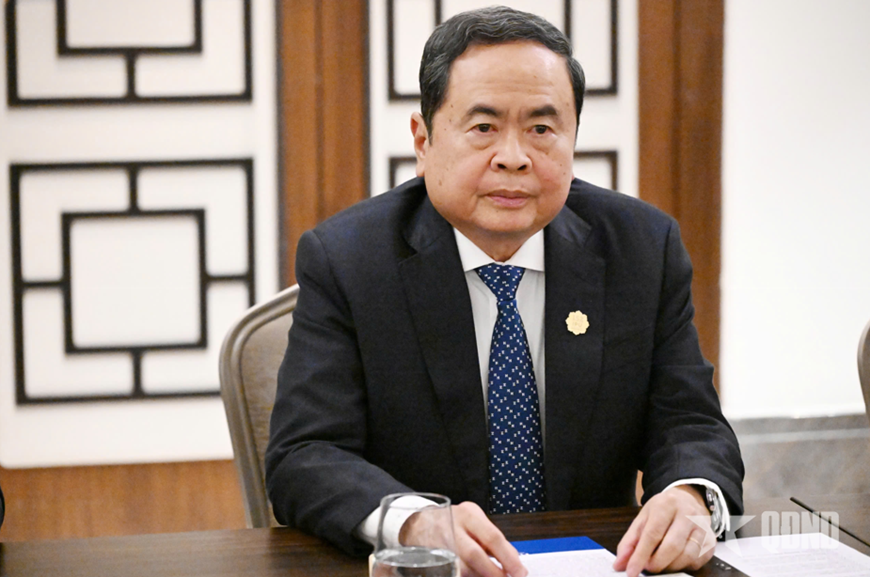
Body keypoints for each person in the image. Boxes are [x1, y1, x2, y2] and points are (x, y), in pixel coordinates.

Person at [265, 6, 743, 577]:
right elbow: (305, 455)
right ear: (423, 140)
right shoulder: (349, 260)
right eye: (483, 128)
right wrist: (416, 523)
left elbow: (690, 421)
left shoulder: (641, 249)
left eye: (541, 130)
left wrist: (691, 497)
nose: (513, 158)